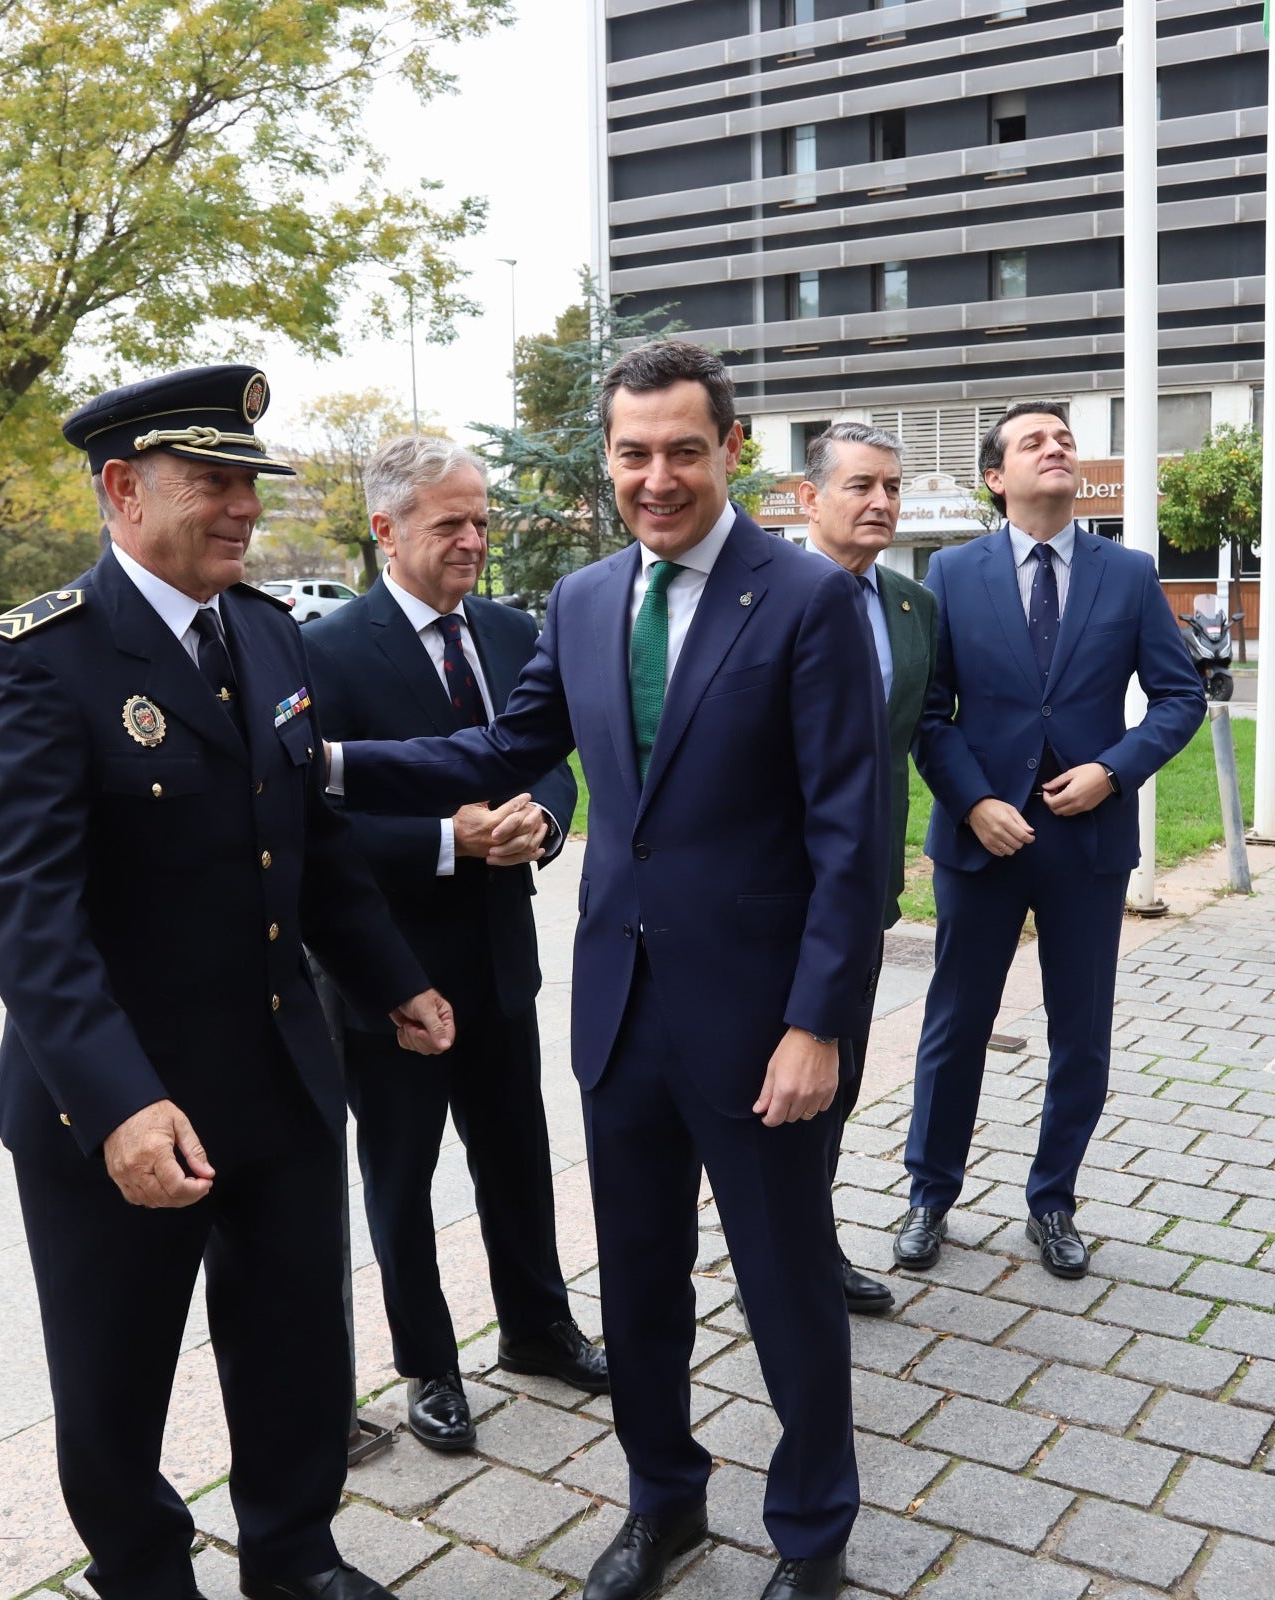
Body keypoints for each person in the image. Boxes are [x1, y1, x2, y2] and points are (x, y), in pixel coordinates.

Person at [325, 341, 884, 1600]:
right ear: (609, 458)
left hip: (760, 1027)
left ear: (730, 450)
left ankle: (811, 1534)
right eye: (633, 453)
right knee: (635, 1279)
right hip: (619, 1015)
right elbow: (502, 743)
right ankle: (663, 1501)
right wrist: (337, 766)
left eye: (684, 449)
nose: (657, 477)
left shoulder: (804, 602)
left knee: (785, 1283)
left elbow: (855, 839)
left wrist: (819, 1025)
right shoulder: (582, 601)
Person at [0, 363, 456, 1600]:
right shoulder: (45, 660)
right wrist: (119, 1101)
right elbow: (29, 913)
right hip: (119, 1103)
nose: (244, 507)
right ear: (124, 490)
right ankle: (143, 1574)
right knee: (115, 1379)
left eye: (250, 482)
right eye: (214, 483)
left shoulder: (268, 631)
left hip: (281, 1073)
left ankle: (293, 1557)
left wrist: (392, 976)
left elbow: (313, 843)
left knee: (297, 1347)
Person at [303, 435, 602, 1456]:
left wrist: (545, 819)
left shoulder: (517, 629)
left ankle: (537, 1328)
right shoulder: (327, 650)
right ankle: (431, 1364)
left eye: (482, 519)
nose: (475, 538)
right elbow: (314, 828)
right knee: (401, 1177)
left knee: (517, 1155)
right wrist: (446, 840)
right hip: (384, 975)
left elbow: (552, 750)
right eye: (451, 524)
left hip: (499, 958)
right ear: (385, 530)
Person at [898, 402, 1207, 1281]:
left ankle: (1053, 1202)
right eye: (1034, 441)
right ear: (996, 477)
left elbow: (1180, 697)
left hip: (1087, 841)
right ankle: (929, 1194)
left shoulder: (1130, 573)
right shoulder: (950, 576)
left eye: (1065, 439)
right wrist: (970, 804)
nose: (1057, 448)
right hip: (982, 840)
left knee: (1082, 1030)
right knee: (956, 1023)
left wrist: (1114, 770)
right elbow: (927, 713)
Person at [794, 421, 937, 1319]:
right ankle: (779, 1249)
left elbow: (926, 728)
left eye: (892, 486)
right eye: (861, 487)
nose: (881, 502)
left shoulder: (914, 607)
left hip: (864, 887)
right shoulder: (761, 596)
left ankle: (813, 1245)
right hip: (769, 891)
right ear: (810, 499)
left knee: (838, 1078)